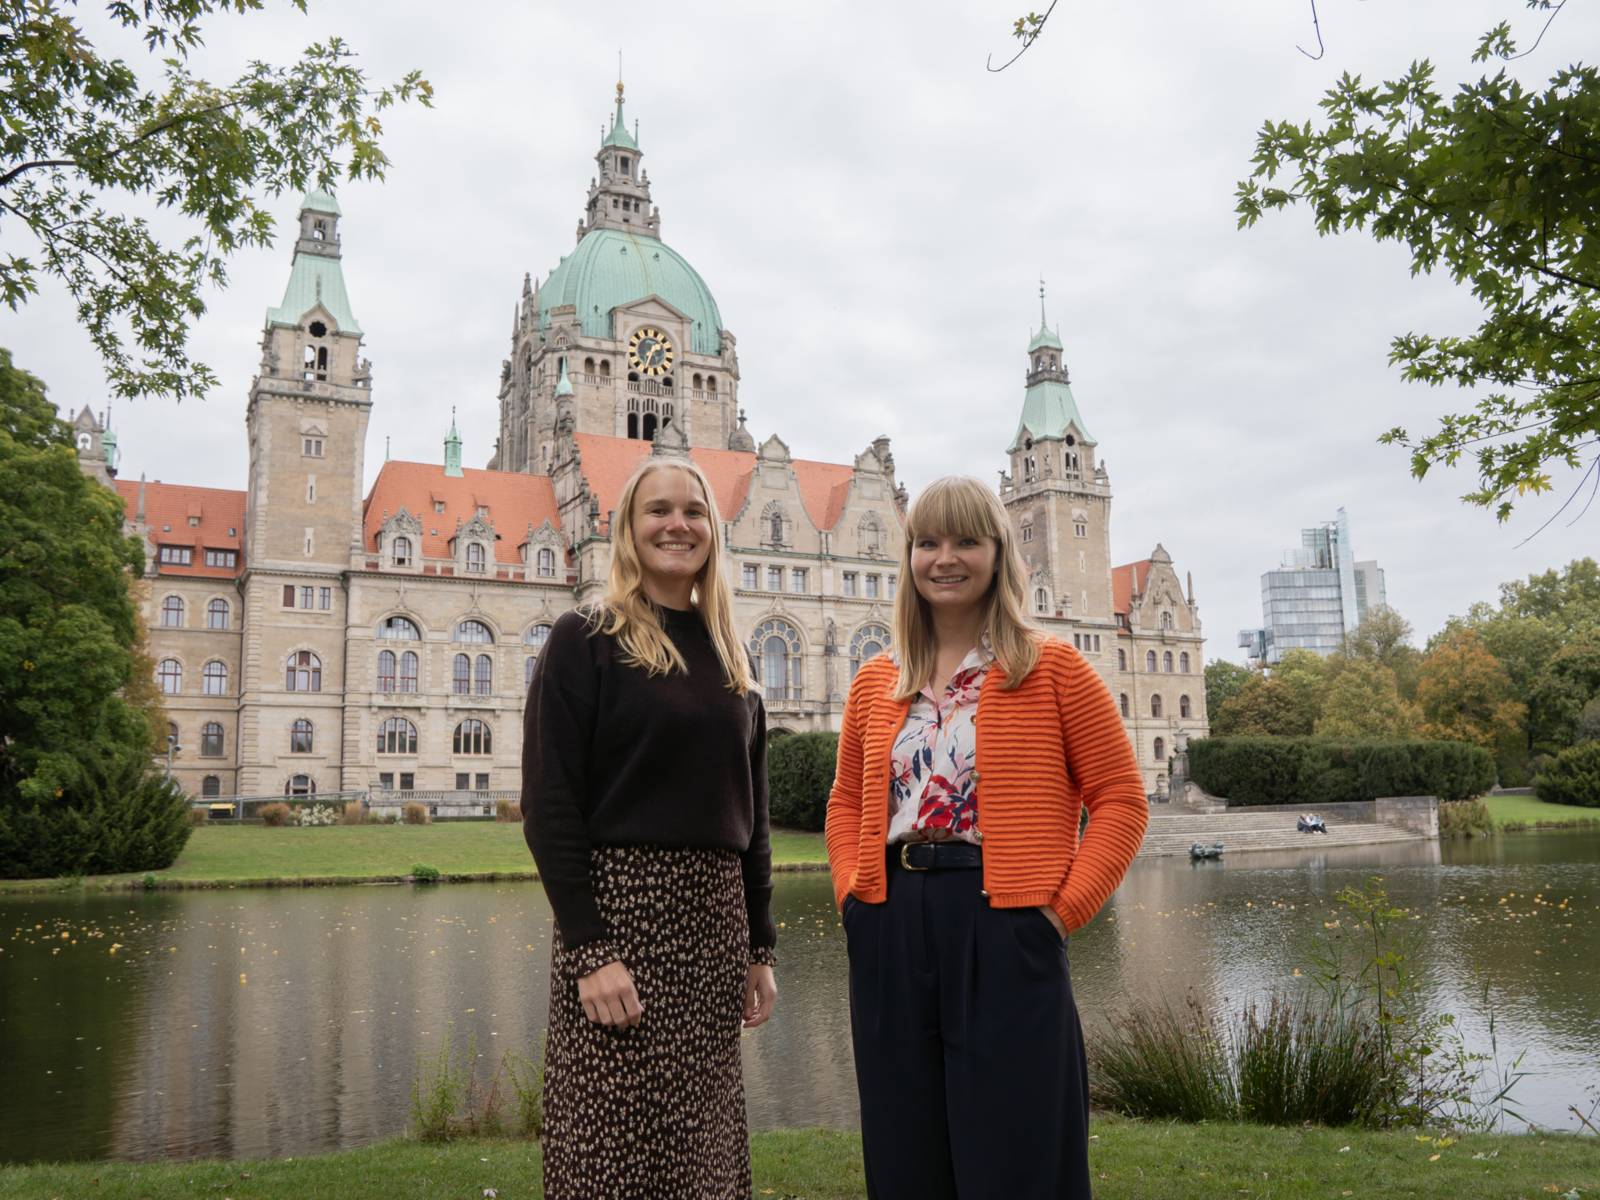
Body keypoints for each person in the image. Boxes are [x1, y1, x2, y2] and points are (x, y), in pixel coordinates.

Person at [825, 475, 1148, 1200]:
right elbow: (847, 800)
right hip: (891, 921)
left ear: (999, 554)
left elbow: (1121, 800)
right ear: (909, 558)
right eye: (928, 541)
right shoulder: (876, 681)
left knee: (1018, 1151)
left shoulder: (1054, 668)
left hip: (1006, 922)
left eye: (966, 540)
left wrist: (1057, 914)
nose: (946, 557)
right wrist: (853, 896)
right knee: (906, 1152)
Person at [522, 457, 777, 1200]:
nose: (678, 524)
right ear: (628, 530)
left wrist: (760, 947)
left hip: (712, 925)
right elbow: (550, 807)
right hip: (620, 917)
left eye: (693, 511)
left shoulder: (733, 655)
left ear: (713, 531)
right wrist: (590, 949)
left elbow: (751, 820)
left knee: (702, 1145)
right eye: (658, 510)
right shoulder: (586, 637)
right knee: (607, 1138)